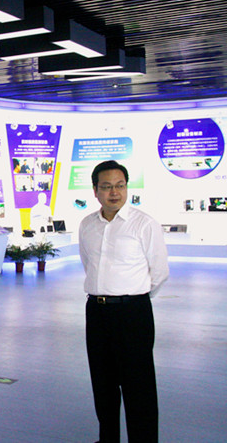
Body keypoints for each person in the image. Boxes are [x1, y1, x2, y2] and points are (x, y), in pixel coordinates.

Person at [78, 160, 169, 443]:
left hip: (133, 313)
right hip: (96, 311)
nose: (114, 192)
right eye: (106, 187)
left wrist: (133, 298)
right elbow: (88, 264)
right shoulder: (87, 225)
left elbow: (159, 272)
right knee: (102, 383)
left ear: (127, 187)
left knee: (138, 386)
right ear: (95, 190)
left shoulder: (144, 224)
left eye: (120, 186)